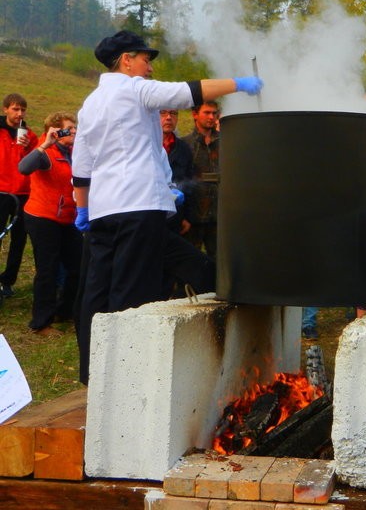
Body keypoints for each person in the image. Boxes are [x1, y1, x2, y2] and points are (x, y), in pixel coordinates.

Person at [72, 29, 263, 385]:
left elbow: (82, 166)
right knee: (132, 289)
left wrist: (83, 209)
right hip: (137, 206)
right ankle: (126, 373)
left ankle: (92, 370)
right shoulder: (133, 88)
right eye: (146, 59)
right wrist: (238, 83)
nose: (150, 67)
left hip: (105, 209)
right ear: (126, 60)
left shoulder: (91, 103)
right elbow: (186, 92)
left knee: (98, 288)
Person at [18, 113, 81, 336]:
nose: (74, 132)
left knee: (77, 266)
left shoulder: (74, 152)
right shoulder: (46, 153)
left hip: (67, 218)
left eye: (74, 128)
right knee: (48, 269)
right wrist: (46, 143)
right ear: (56, 131)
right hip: (42, 218)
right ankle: (41, 323)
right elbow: (23, 168)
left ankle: (64, 311)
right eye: (69, 129)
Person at [0, 93, 39, 298]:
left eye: (22, 110)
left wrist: (25, 149)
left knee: (18, 241)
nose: (19, 113)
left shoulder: (29, 135)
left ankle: (8, 281)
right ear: (6, 109)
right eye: (15, 109)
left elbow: (34, 163)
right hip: (1, 192)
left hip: (24, 194)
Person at [183, 101, 220, 258]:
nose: (211, 117)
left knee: (219, 261)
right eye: (207, 113)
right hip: (193, 216)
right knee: (189, 259)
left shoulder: (226, 142)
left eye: (214, 113)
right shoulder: (185, 144)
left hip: (219, 216)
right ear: (195, 114)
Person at [160, 109, 193, 235]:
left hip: (175, 217)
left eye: (173, 113)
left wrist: (187, 216)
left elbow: (188, 181)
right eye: (163, 112)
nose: (168, 117)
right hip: (149, 215)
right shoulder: (144, 145)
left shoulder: (184, 148)